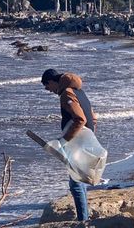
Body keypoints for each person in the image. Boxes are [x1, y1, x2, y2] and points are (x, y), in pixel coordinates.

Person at [41, 69, 97, 222]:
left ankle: (83, 221)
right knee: (80, 180)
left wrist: (66, 140)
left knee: (76, 184)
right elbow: (93, 117)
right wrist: (90, 137)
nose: (49, 90)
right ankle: (84, 217)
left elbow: (80, 119)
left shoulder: (66, 94)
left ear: (52, 81)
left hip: (79, 143)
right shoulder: (79, 91)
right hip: (85, 141)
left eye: (47, 86)